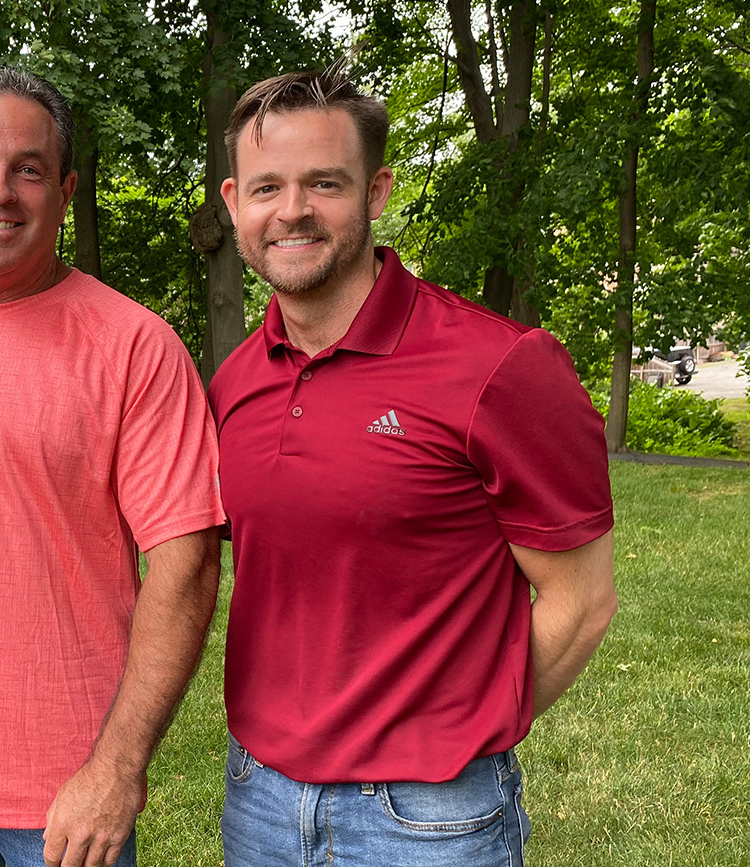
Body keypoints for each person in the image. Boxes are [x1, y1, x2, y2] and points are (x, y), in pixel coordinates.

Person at [210, 69, 618, 867]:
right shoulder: (235, 382)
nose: (291, 210)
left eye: (324, 183)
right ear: (235, 204)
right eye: (267, 187)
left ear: (376, 192)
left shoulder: (500, 366)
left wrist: (463, 733)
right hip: (258, 797)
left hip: (427, 818)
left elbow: (584, 598)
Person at [0, 67, 225, 867]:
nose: (0, 191)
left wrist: (117, 771)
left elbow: (187, 567)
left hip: (70, 798)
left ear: (63, 191)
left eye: (28, 169)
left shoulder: (135, 348)